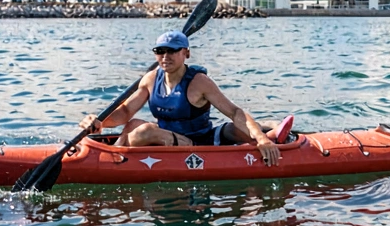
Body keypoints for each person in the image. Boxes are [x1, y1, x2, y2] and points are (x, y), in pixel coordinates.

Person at [79, 30, 282, 165]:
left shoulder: (199, 82)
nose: (165, 57)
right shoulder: (150, 79)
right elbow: (125, 112)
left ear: (186, 53)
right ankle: (111, 155)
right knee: (136, 125)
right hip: (167, 138)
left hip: (199, 143)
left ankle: (270, 134)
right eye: (160, 51)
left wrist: (261, 139)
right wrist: (100, 121)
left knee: (235, 129)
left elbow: (234, 112)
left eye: (172, 51)